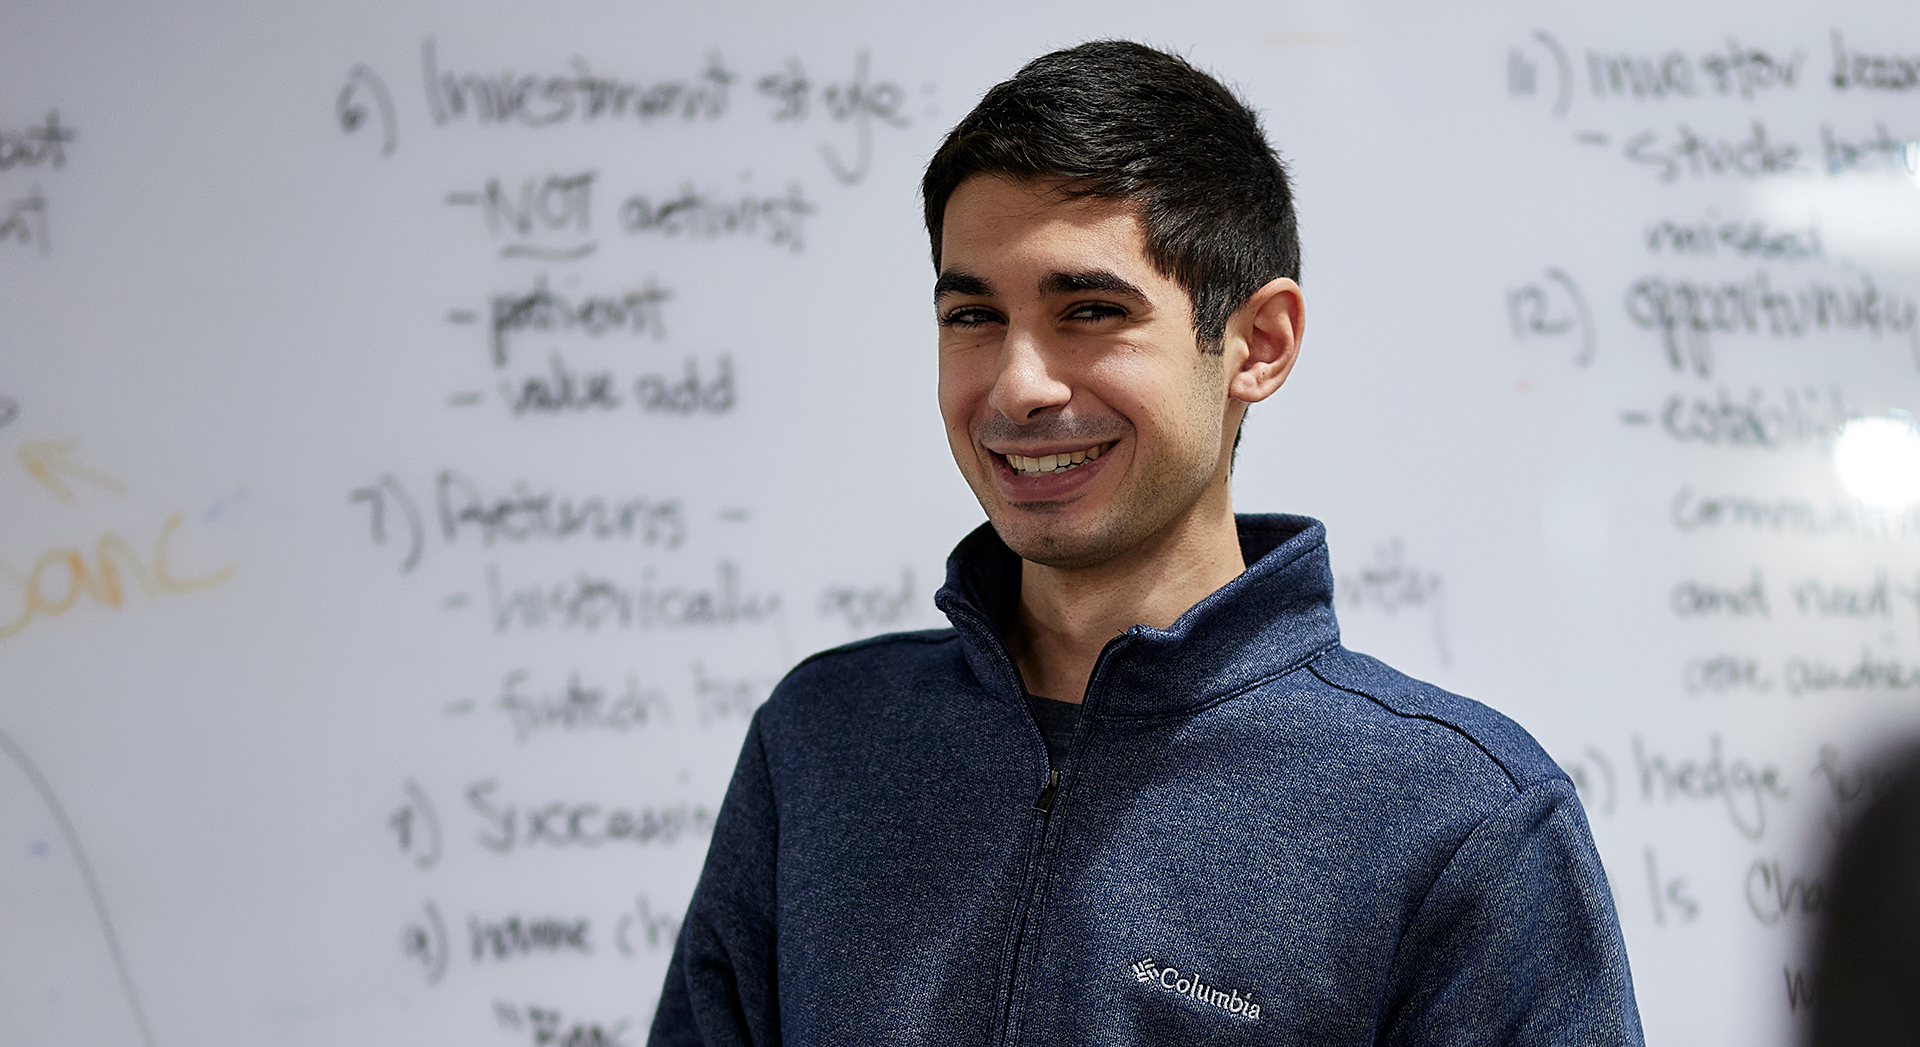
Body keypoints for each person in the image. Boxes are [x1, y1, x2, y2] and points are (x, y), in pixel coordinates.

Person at [649, 40, 1641, 1045]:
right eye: (973, 315)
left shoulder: (1461, 820)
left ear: (1258, 344)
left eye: (1089, 311)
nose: (1016, 386)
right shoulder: (822, 744)